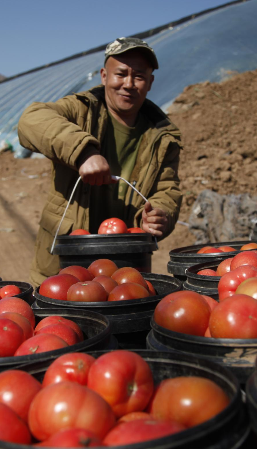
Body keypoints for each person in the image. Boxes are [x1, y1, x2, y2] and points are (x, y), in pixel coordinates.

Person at [18, 37, 182, 286]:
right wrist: (82, 151)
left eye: (138, 76)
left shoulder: (164, 136)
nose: (128, 84)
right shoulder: (81, 110)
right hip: (64, 265)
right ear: (104, 76)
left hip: (126, 266)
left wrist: (160, 213)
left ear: (150, 82)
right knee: (60, 319)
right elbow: (31, 120)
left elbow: (166, 188)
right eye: (121, 74)